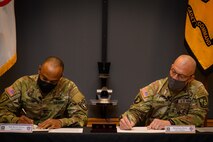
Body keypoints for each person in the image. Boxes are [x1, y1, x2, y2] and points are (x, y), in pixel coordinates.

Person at [119, 54, 208, 130]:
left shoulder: (197, 89)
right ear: (171, 67)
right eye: (173, 72)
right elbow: (137, 111)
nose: (175, 77)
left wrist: (170, 123)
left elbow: (197, 118)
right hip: (155, 136)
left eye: (181, 76)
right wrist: (129, 120)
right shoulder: (155, 88)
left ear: (191, 78)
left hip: (184, 137)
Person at [0, 56, 88, 129]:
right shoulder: (22, 84)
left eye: (53, 82)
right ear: (39, 70)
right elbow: (2, 111)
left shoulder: (69, 88)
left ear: (61, 77)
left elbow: (82, 117)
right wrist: (16, 120)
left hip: (54, 137)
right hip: (25, 136)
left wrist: (61, 122)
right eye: (44, 79)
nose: (47, 83)